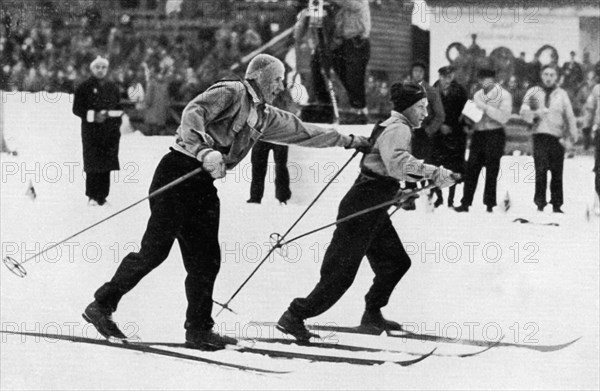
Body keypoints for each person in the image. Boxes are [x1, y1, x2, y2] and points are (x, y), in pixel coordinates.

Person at [82, 54, 370, 351]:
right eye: (277, 80)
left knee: (206, 260)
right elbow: (193, 113)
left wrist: (348, 140)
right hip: (179, 171)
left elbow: (303, 132)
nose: (281, 86)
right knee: (154, 252)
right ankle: (101, 305)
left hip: (203, 185)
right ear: (259, 77)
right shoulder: (232, 91)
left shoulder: (266, 115)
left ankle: (198, 329)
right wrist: (204, 151)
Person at [277, 82, 460, 342]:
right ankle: (294, 316)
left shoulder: (391, 125)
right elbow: (398, 165)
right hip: (362, 207)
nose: (425, 113)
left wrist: (398, 190)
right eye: (420, 107)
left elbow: (381, 166)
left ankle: (372, 313)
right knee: (339, 276)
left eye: (426, 107)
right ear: (407, 108)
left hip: (373, 206)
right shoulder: (399, 129)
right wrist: (435, 173)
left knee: (395, 262)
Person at [520, 65, 578, 213]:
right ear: (541, 75)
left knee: (557, 171)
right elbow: (523, 111)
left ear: (556, 77)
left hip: (557, 137)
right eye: (546, 74)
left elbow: (569, 115)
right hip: (539, 135)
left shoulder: (562, 94)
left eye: (552, 75)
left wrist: (573, 135)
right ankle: (540, 202)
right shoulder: (533, 92)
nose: (548, 77)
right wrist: (535, 115)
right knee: (541, 170)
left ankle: (557, 204)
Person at [455, 68, 512, 213]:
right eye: (481, 79)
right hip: (479, 134)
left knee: (492, 169)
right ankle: (465, 202)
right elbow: (473, 114)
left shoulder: (504, 95)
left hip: (495, 133)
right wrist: (468, 119)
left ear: (494, 79)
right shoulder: (477, 94)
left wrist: (486, 108)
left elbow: (504, 117)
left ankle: (490, 204)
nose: (484, 82)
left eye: (487, 79)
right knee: (472, 168)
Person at [310, 0, 371, 124]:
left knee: (354, 77)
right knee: (334, 69)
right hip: (344, 43)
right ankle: (328, 105)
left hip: (358, 42)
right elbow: (339, 25)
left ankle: (359, 110)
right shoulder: (340, 10)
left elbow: (352, 5)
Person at [72, 56, 122, 206]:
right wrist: (94, 116)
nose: (100, 71)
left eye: (103, 68)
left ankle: (103, 196)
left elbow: (119, 108)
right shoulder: (84, 87)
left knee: (106, 164)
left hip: (109, 132)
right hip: (91, 132)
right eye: (97, 67)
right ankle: (92, 195)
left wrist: (110, 117)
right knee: (93, 163)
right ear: (92, 69)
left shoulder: (112, 87)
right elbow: (77, 109)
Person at [247, 82, 297, 205]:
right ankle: (255, 197)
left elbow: (290, 110)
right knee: (258, 165)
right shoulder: (259, 92)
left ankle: (282, 197)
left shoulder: (282, 92)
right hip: (261, 134)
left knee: (280, 166)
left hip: (279, 133)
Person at [431, 66, 468, 208]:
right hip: (437, 133)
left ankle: (451, 199)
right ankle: (438, 196)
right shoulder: (432, 91)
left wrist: (455, 127)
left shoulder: (460, 91)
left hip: (455, 134)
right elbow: (428, 112)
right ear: (439, 76)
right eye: (444, 76)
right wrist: (439, 126)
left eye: (450, 76)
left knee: (454, 167)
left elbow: (465, 112)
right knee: (434, 165)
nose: (447, 79)